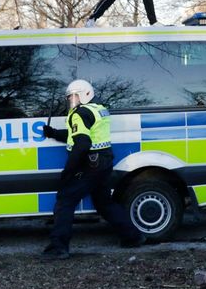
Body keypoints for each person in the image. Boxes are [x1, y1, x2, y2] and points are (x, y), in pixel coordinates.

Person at [39, 79, 144, 259]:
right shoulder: (98, 109)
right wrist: (54, 133)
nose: (71, 101)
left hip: (90, 164)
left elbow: (82, 143)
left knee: (65, 200)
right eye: (70, 98)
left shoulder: (79, 113)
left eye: (74, 97)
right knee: (104, 203)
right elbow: (77, 134)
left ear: (85, 94)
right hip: (103, 162)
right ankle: (132, 237)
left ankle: (58, 248)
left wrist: (68, 172)